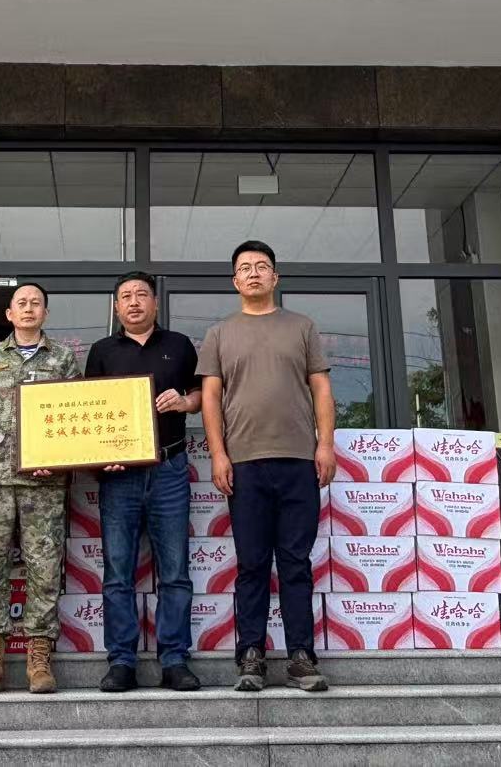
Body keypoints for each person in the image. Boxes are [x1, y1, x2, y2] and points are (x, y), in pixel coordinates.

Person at [197, 240, 336, 694]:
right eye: (245, 268)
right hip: (244, 465)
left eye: (262, 266)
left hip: (299, 461)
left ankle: (301, 657)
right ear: (234, 281)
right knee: (252, 564)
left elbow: (321, 389)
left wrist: (325, 444)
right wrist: (218, 454)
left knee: (295, 563)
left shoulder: (302, 327)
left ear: (275, 277)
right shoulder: (219, 334)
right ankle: (251, 655)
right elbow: (211, 399)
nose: (253, 273)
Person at [82, 271, 202, 693]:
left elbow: (201, 394)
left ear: (155, 302)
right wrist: (103, 456)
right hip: (120, 477)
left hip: (169, 469)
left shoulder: (180, 345)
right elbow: (88, 412)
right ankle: (121, 661)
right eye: (126, 296)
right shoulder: (102, 351)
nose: (134, 302)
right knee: (118, 572)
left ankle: (175, 659)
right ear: (116, 307)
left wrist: (185, 402)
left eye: (141, 295)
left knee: (175, 571)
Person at [0, 282, 82, 696]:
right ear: (9, 314)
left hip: (44, 480)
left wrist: (62, 459)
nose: (29, 308)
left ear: (45, 313)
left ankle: (39, 658)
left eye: (36, 303)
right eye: (22, 303)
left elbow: (76, 414)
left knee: (44, 567)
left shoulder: (63, 358)